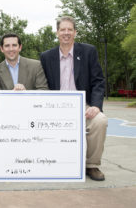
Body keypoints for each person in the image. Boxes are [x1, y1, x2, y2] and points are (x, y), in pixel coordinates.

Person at [40, 16, 108, 181]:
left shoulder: (88, 51)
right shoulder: (46, 56)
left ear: (75, 32)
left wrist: (96, 106)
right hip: (55, 107)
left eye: (70, 29)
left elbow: (98, 81)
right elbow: (41, 84)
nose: (66, 33)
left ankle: (91, 165)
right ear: (57, 33)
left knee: (100, 121)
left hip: (82, 106)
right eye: (62, 29)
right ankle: (48, 163)